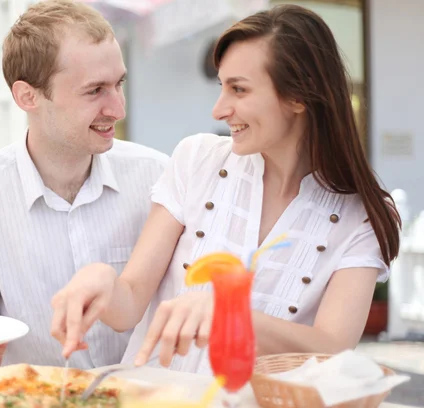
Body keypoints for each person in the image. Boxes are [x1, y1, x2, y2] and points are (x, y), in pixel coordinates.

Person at [51, 4, 401, 375]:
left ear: (299, 96)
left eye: (239, 89)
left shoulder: (362, 215)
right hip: (155, 397)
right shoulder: (197, 159)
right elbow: (130, 304)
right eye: (222, 87)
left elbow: (331, 348)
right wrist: (103, 281)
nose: (219, 109)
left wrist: (228, 314)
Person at [0, 0, 168, 376]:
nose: (118, 108)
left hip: (151, 396)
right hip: (36, 397)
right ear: (28, 96)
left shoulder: (159, 177)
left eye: (118, 84)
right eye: (95, 91)